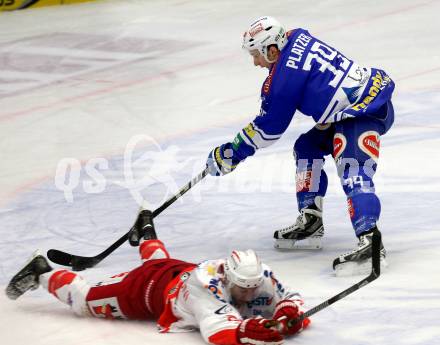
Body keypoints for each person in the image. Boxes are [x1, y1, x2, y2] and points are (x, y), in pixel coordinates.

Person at [206, 16, 393, 273]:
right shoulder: (294, 36)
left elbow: (267, 130)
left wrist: (231, 153)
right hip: (354, 104)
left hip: (361, 112)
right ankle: (311, 219)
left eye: (256, 54)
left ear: (272, 50)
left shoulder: (283, 79)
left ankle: (371, 240)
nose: (255, 62)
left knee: (352, 167)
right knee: (307, 147)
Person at [6, 212, 310, 345]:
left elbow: (291, 297)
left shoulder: (258, 274)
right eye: (243, 288)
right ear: (227, 279)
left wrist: (289, 312)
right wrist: (248, 331)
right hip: (143, 291)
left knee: (161, 261)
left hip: (176, 271)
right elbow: (218, 330)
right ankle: (41, 272)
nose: (251, 293)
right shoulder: (207, 287)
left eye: (253, 286)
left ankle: (146, 229)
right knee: (85, 301)